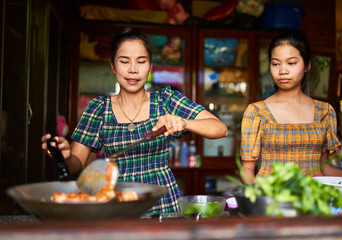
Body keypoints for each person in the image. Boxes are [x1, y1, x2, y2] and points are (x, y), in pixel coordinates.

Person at [41, 27, 228, 213]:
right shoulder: (98, 108)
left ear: (150, 67)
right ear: (113, 66)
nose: (133, 70)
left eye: (141, 61)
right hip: (118, 203)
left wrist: (184, 122)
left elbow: (220, 128)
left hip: (163, 203)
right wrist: (64, 156)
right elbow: (76, 165)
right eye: (124, 61)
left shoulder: (166, 100)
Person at [240, 32, 342, 185]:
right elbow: (247, 169)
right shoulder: (256, 112)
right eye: (276, 63)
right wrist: (258, 197)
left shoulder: (325, 112)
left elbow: (324, 169)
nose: (283, 70)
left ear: (307, 65)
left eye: (291, 63)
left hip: (313, 199)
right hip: (271, 200)